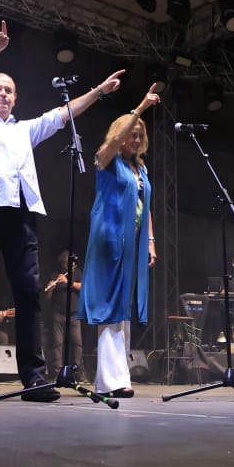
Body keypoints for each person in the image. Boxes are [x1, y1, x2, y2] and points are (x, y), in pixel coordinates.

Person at [0, 20, 124, 403]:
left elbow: (63, 115)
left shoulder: (23, 129)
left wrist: (97, 91)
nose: (3, 95)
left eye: (10, 91)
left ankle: (33, 377)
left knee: (29, 294)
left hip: (19, 216)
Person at [79, 86, 160, 399]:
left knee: (122, 309)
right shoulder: (107, 158)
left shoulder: (140, 167)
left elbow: (146, 205)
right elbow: (111, 143)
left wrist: (150, 241)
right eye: (131, 133)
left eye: (140, 135)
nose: (135, 139)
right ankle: (114, 380)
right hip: (109, 239)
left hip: (132, 243)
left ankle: (111, 379)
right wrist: (138, 109)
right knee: (111, 307)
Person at [42, 249, 82, 377]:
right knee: (57, 344)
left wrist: (68, 282)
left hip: (74, 314)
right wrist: (51, 288)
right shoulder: (55, 275)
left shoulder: (77, 273)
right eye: (66, 263)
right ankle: (58, 373)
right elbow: (47, 297)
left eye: (70, 263)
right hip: (58, 314)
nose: (69, 266)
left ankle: (76, 371)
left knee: (77, 343)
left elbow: (83, 287)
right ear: (62, 264)